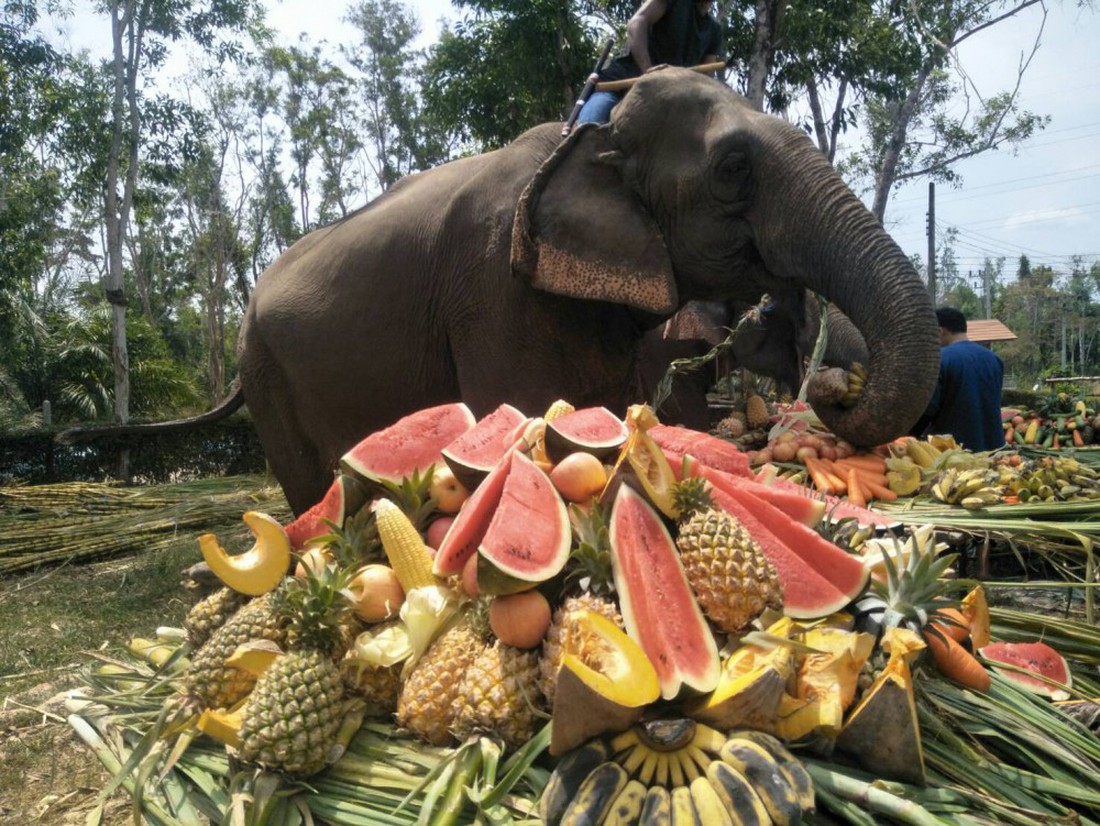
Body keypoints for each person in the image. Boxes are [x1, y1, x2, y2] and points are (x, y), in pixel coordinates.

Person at [576, 0, 723, 124]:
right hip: (619, 84)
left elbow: (706, 76)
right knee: (588, 127)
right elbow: (637, 22)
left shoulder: (715, 31)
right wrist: (648, 71)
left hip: (664, 98)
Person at [912, 307, 1005, 452]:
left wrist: (908, 436)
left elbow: (928, 409)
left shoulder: (940, 359)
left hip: (955, 453)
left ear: (939, 332)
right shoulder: (994, 359)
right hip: (995, 448)